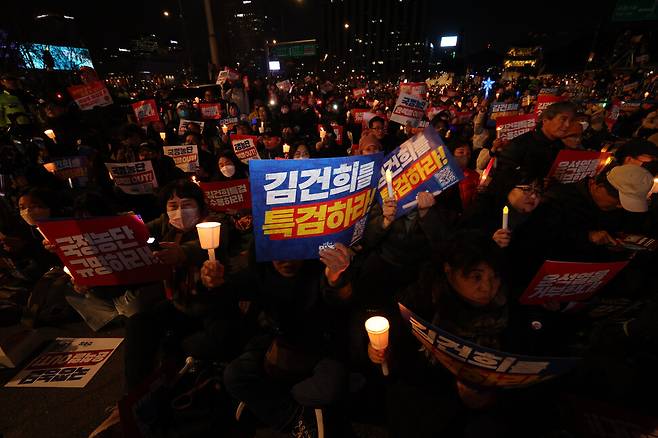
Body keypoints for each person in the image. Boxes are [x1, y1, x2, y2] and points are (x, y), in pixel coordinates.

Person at [202, 243, 355, 436]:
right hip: (278, 346)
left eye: (294, 250)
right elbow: (232, 290)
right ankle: (297, 420)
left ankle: (264, 403)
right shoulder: (260, 268)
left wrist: (336, 280)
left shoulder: (319, 266)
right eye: (277, 251)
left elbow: (340, 300)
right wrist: (214, 282)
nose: (287, 260)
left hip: (321, 348)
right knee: (234, 375)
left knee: (332, 387)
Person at [370, 231, 509, 437]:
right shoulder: (422, 298)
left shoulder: (507, 309)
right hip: (423, 394)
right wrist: (378, 349)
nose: (487, 288)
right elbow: (392, 335)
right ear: (449, 271)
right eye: (476, 277)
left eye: (494, 277)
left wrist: (486, 398)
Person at [494, 101, 577, 179]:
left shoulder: (560, 146)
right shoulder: (520, 144)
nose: (567, 125)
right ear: (545, 120)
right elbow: (502, 178)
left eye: (571, 121)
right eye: (563, 119)